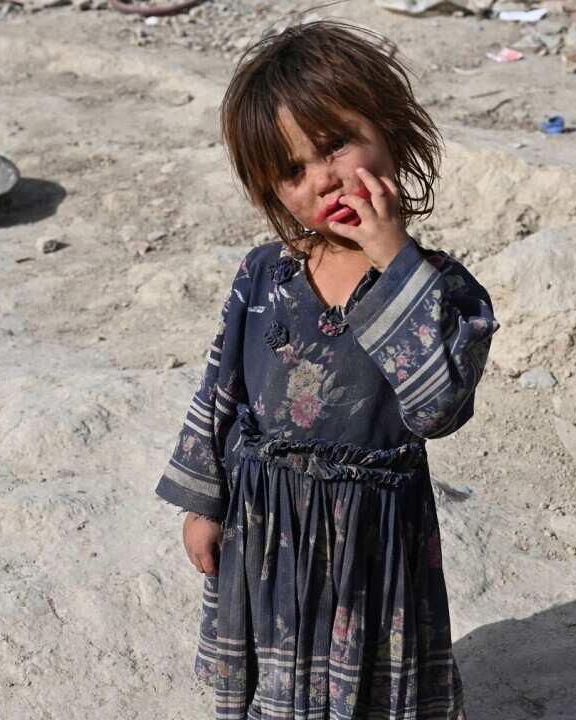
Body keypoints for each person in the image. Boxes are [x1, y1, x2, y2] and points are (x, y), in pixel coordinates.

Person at [154, 19, 498, 720]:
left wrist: (396, 262)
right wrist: (204, 503)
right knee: (277, 681)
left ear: (390, 130)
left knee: (367, 686)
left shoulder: (442, 292)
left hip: (371, 540)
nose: (323, 179)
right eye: (292, 171)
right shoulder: (263, 276)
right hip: (267, 524)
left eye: (335, 143)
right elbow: (222, 389)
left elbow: (438, 409)